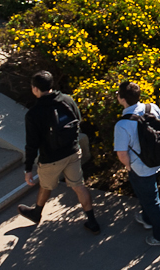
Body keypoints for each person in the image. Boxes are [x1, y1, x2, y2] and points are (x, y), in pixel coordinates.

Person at [18, 70, 100, 232]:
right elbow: (78, 120)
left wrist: (28, 169)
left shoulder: (34, 114)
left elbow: (32, 144)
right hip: (72, 151)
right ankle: (92, 221)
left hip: (51, 158)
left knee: (46, 186)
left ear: (35, 89)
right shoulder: (67, 100)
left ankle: (36, 213)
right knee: (79, 186)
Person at [113, 81, 160, 247]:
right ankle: (147, 219)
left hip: (140, 167)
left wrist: (128, 166)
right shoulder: (151, 108)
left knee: (151, 200)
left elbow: (122, 153)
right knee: (147, 195)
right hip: (158, 160)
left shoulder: (122, 124)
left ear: (122, 99)